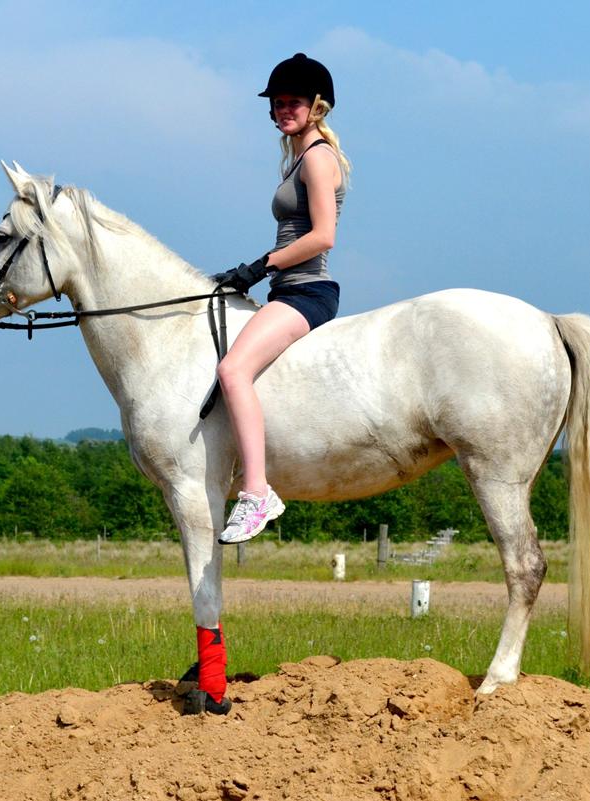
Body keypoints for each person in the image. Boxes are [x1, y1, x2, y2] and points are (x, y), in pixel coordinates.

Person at [213, 53, 351, 545]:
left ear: (316, 106)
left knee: (232, 370)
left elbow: (323, 236)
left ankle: (256, 493)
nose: (283, 109)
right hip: (286, 288)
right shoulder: (295, 156)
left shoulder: (316, 157)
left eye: (292, 102)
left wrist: (263, 263)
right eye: (277, 103)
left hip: (307, 290)